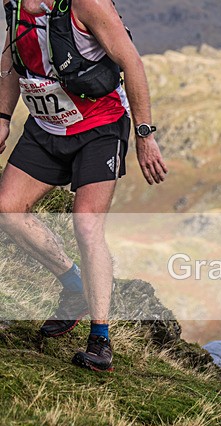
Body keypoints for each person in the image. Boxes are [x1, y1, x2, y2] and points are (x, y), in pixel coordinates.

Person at [0, 0, 167, 371]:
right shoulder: (14, 4)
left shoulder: (85, 3)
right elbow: (11, 64)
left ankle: (100, 339)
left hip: (100, 127)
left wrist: (144, 135)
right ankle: (74, 284)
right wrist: (3, 118)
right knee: (8, 210)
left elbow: (132, 62)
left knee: (87, 225)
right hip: (47, 128)